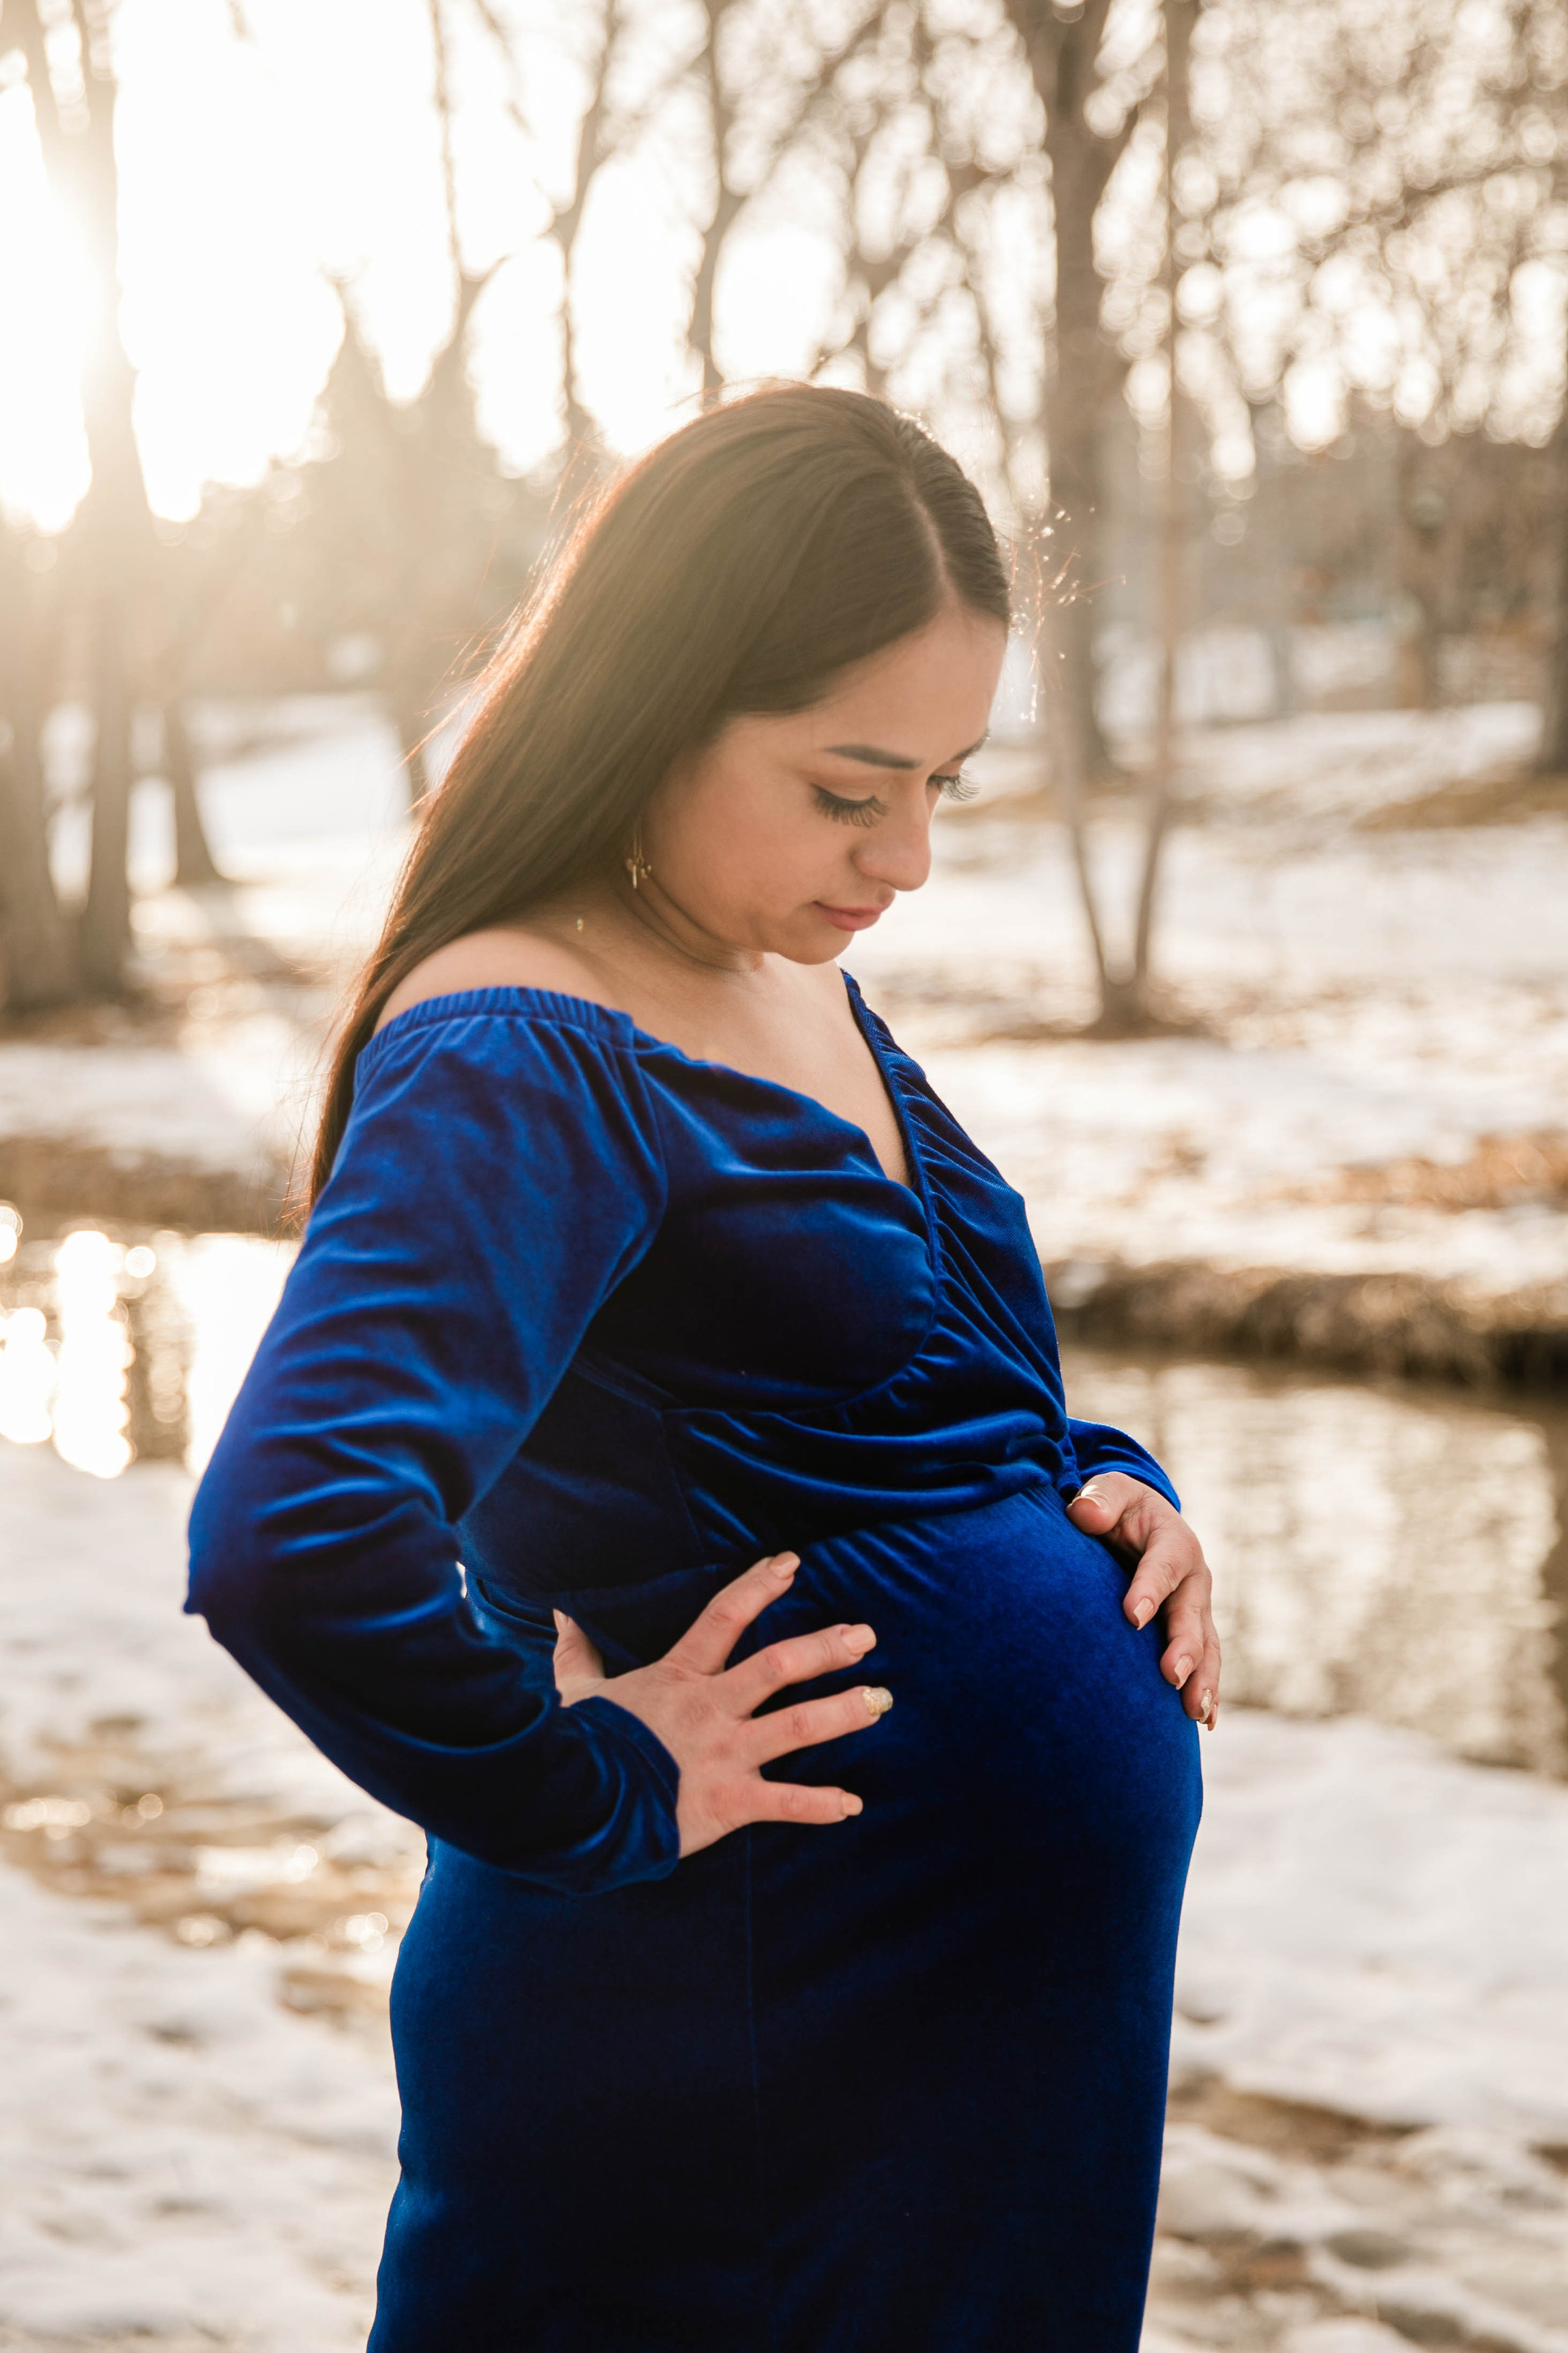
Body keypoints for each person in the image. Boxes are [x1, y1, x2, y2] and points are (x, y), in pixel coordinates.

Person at [187, 384, 1219, 2351]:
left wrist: (1103, 1480)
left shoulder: (780, 964)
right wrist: (596, 1782)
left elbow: (919, 1370)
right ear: (660, 699)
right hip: (733, 2066)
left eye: (945, 782)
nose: (905, 852)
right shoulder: (520, 1042)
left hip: (953, 2077)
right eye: (850, 786)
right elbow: (292, 1532)